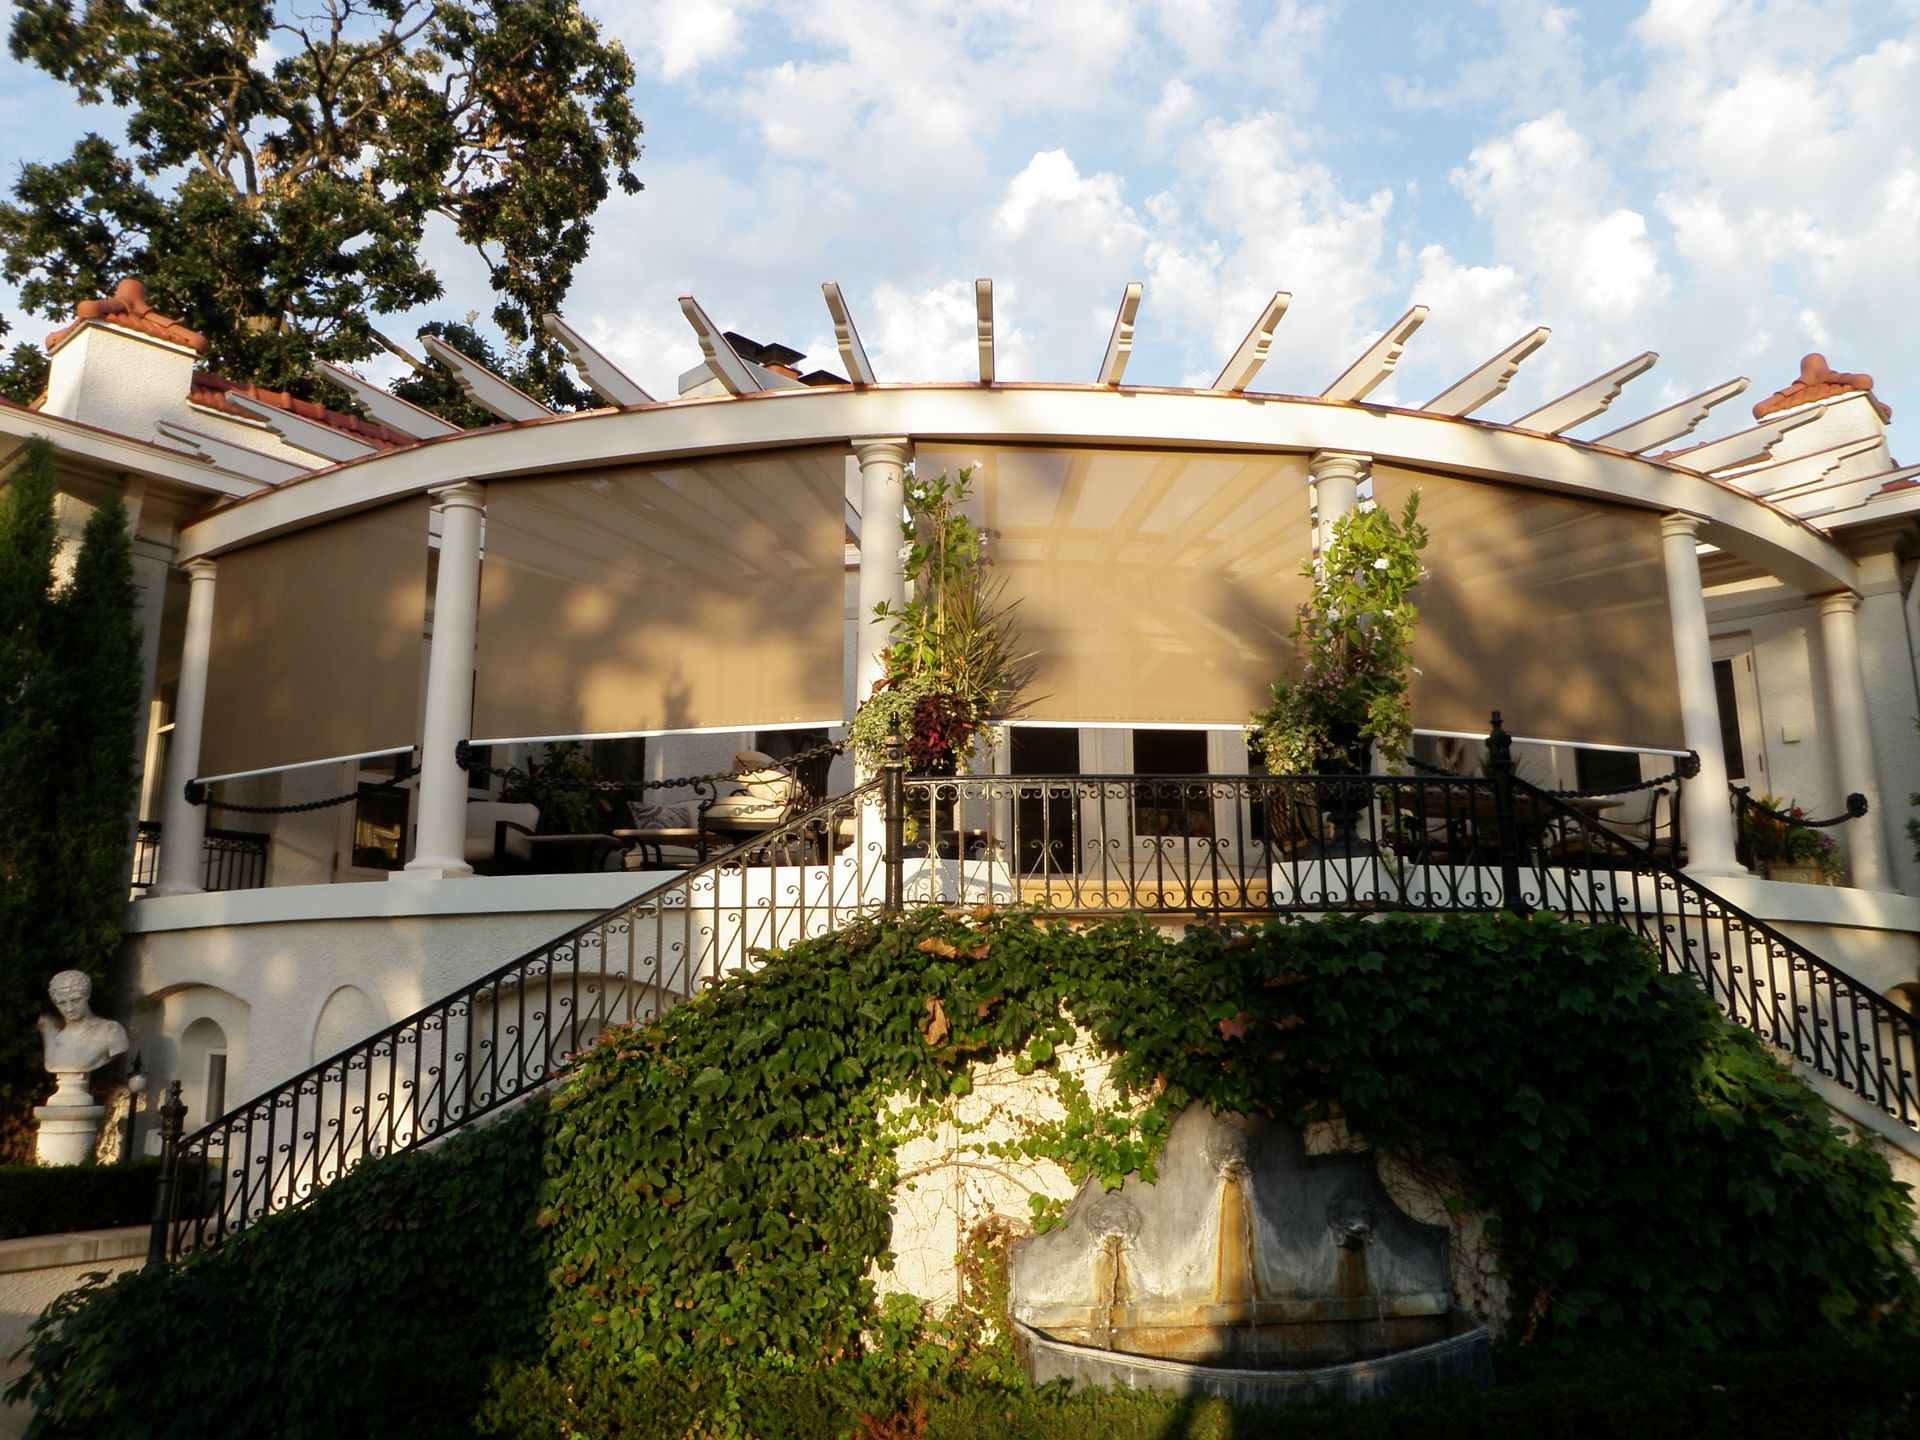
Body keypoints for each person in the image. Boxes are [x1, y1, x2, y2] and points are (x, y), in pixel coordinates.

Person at [38, 970, 128, 1079]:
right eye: (62, 1003)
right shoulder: (55, 1038)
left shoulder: (111, 1031)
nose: (69, 1008)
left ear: (87, 995)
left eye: (76, 1000)